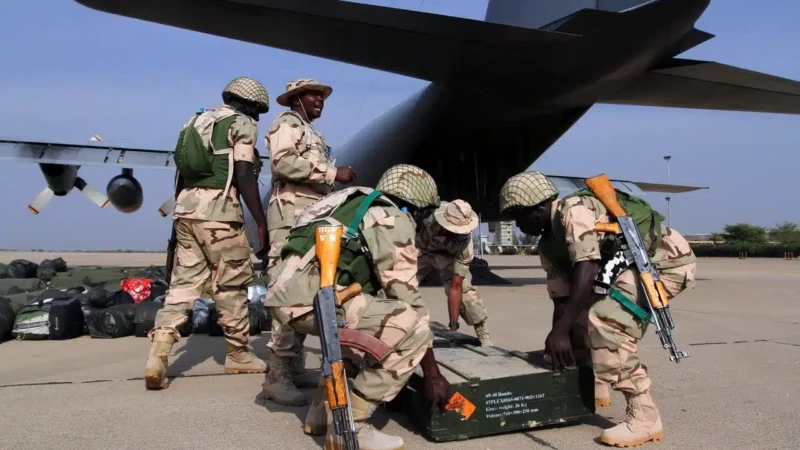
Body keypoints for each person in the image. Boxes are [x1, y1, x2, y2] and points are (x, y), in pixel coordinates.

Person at [498, 171, 697, 447]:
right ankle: (595, 384)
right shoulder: (548, 245)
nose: (517, 225)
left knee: (607, 320)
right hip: (625, 269)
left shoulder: (574, 212)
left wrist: (561, 330)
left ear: (538, 209)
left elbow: (587, 270)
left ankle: (645, 417)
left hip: (664, 262)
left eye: (517, 216)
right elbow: (564, 300)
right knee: (574, 321)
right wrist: (558, 335)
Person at [264, 164, 450, 450]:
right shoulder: (391, 217)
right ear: (417, 208)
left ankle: (320, 411)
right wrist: (432, 374)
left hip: (283, 296)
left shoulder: (345, 200)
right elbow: (407, 297)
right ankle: (353, 424)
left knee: (364, 325)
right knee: (413, 327)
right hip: (312, 300)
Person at [144, 77, 271, 390]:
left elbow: (180, 174)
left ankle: (159, 351)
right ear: (248, 105)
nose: (256, 117)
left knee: (183, 286)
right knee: (232, 284)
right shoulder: (240, 124)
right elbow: (243, 172)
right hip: (220, 214)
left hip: (186, 210)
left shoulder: (195, 119)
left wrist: (176, 224)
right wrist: (260, 220)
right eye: (256, 110)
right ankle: (239, 354)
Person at [263, 78, 358, 405]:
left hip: (309, 217)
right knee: (288, 290)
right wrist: (332, 174)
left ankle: (293, 364)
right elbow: (283, 162)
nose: (320, 100)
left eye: (322, 95)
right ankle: (277, 376)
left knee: (306, 290)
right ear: (296, 98)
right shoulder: (287, 123)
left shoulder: (310, 130)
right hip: (291, 216)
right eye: (313, 94)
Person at [414, 199, 493, 345]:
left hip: (446, 257)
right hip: (419, 251)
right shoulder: (427, 216)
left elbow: (455, 287)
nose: (458, 235)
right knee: (398, 282)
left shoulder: (465, 248)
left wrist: (453, 326)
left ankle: (484, 336)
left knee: (465, 291)